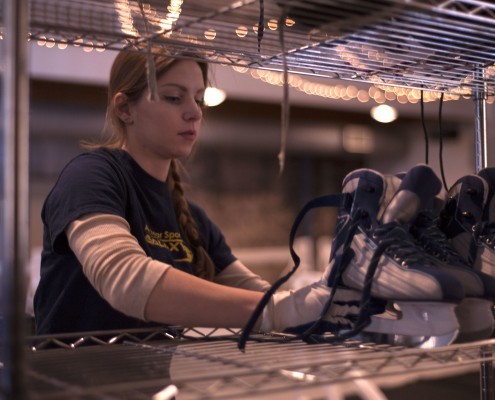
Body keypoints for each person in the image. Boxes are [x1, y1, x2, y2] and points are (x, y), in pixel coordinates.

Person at [34, 48, 358, 336]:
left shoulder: (192, 218)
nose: (195, 112)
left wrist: (324, 305)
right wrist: (279, 310)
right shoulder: (92, 176)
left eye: (199, 99)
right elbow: (125, 279)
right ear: (124, 109)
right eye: (174, 98)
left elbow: (257, 293)